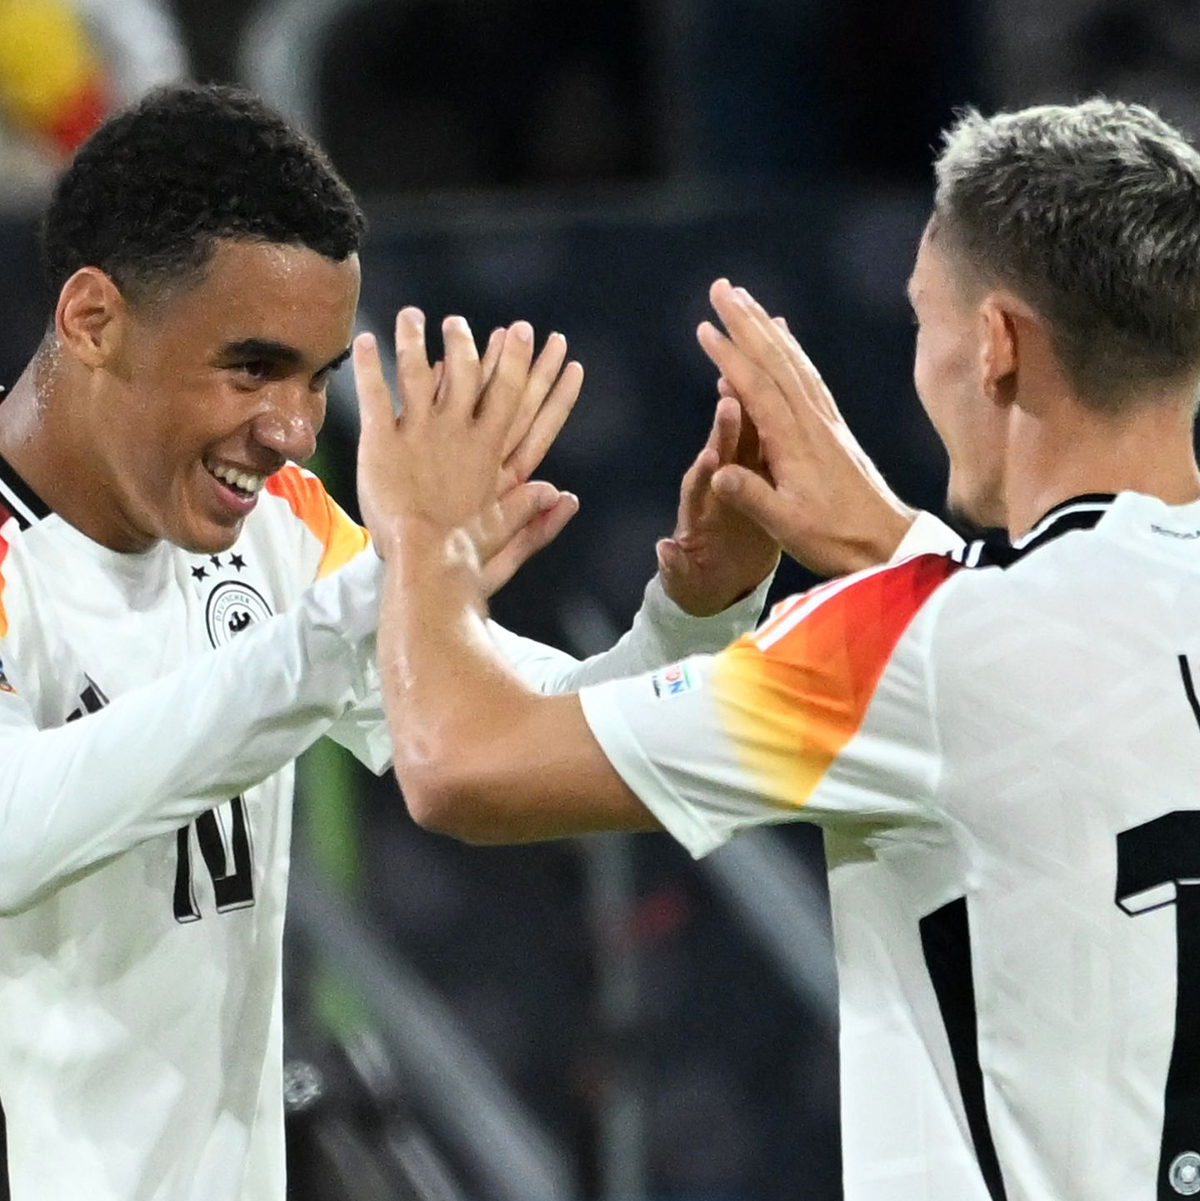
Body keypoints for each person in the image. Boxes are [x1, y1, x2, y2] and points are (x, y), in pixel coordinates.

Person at [357, 98, 1200, 1200]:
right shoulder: (969, 627)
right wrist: (874, 546)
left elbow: (460, 761)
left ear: (994, 344)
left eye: (921, 322)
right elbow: (1062, 662)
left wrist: (420, 533)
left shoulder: (905, 646)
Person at [0, 84, 780, 1200]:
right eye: (251, 367)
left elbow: (535, 739)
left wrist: (697, 609)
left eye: (316, 381)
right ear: (92, 320)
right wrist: (361, 607)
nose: (290, 433)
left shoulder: (282, 535)